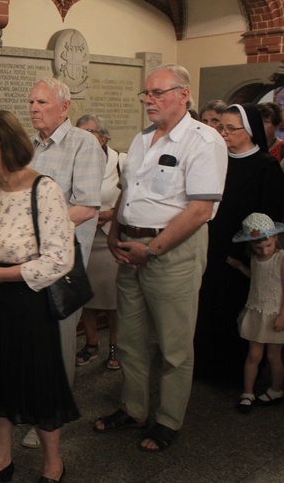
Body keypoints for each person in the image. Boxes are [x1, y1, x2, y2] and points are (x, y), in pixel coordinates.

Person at [94, 64, 227, 453]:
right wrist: (117, 231)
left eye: (157, 93)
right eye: (146, 94)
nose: (148, 100)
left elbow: (201, 209)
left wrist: (151, 249)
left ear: (183, 94)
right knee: (131, 341)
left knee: (173, 346)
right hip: (130, 248)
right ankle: (134, 408)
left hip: (171, 253)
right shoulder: (142, 139)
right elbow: (128, 191)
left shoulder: (204, 141)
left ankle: (168, 419)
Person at [0, 110, 78, 483]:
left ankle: (53, 464)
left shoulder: (44, 189)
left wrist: (3, 274)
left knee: (37, 380)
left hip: (29, 300)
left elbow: (59, 259)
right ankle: (0, 461)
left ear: (11, 148)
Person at [22, 77, 104, 449]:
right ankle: (34, 406)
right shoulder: (31, 147)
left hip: (61, 262)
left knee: (57, 339)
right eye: (32, 102)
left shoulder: (83, 145)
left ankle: (54, 415)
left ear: (64, 106)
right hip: (27, 257)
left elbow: (86, 207)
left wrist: (35, 227)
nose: (34, 108)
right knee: (35, 339)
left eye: (42, 102)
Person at [194, 103, 284, 385]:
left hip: (243, 253)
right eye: (222, 127)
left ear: (250, 132)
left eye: (231, 128)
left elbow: (273, 216)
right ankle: (203, 365)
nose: (224, 133)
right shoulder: (216, 158)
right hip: (210, 245)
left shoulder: (266, 167)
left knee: (237, 310)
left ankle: (235, 374)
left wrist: (252, 249)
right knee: (206, 306)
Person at [74, 114, 123, 370]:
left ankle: (115, 345)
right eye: (79, 131)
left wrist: (112, 214)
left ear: (103, 138)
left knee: (113, 297)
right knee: (86, 295)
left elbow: (130, 199)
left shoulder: (120, 162)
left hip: (109, 237)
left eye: (89, 131)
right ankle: (91, 343)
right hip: (84, 235)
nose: (82, 136)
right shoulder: (76, 159)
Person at [228, 213, 284, 413]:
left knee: (274, 357)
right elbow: (256, 279)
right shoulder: (254, 259)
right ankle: (248, 392)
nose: (264, 250)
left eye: (268, 245)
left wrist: (282, 315)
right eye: (258, 247)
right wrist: (240, 266)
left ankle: (276, 390)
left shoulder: (281, 257)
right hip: (256, 312)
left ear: (276, 238)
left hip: (275, 314)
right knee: (253, 355)